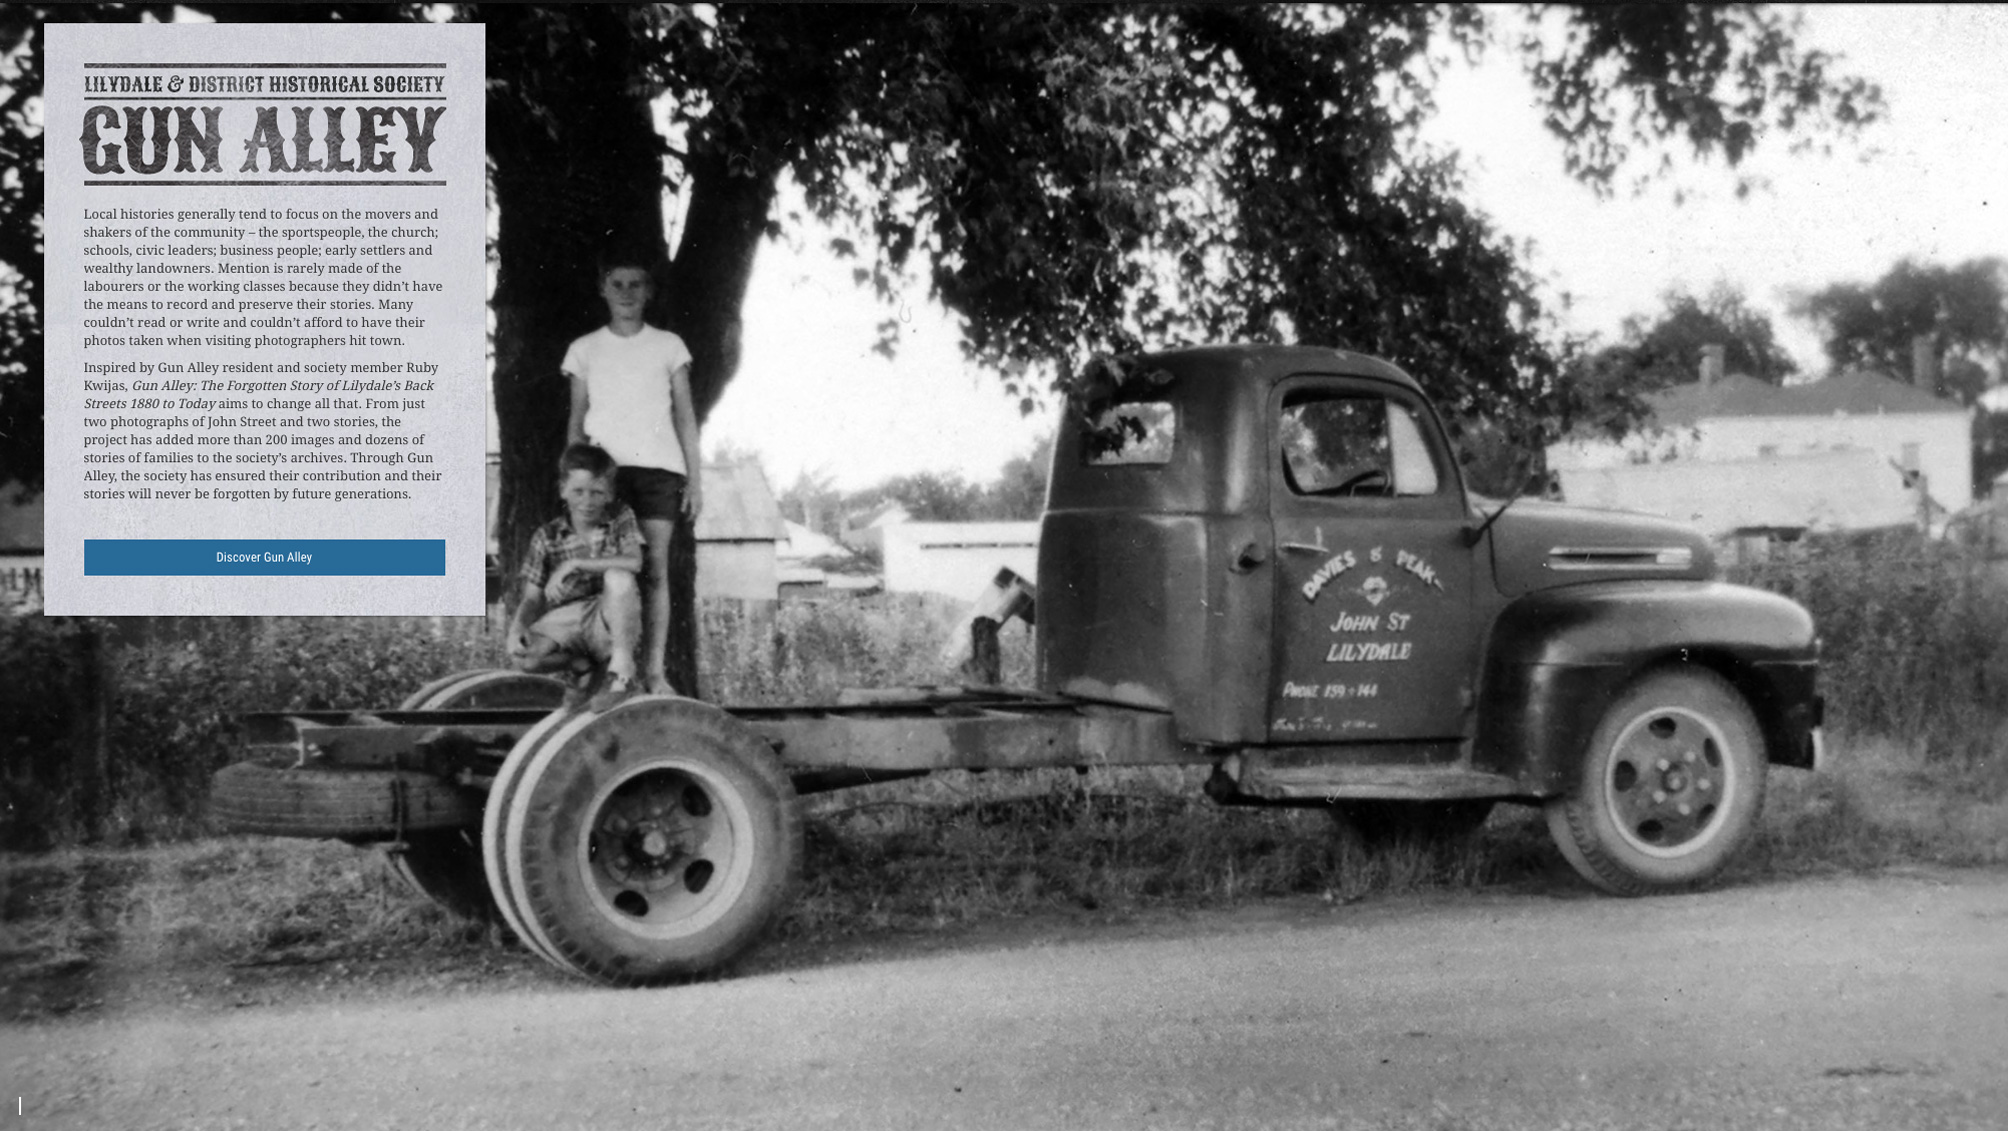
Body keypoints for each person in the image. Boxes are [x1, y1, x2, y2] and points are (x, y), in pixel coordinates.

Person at [563, 251, 702, 696]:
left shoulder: (669, 346)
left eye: (636, 284)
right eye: (617, 284)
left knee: (655, 571)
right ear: (602, 289)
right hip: (607, 474)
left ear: (649, 292)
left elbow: (685, 416)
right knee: (607, 572)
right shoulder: (584, 349)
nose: (626, 293)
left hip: (660, 471)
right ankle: (606, 674)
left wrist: (696, 479)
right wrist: (572, 478)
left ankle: (656, 673)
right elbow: (576, 420)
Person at [507, 443, 645, 709]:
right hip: (567, 621)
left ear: (609, 494)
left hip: (607, 616)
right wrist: (516, 631)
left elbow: (634, 561)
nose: (587, 501)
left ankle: (622, 674)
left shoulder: (619, 518)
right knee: (523, 658)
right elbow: (531, 598)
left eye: (597, 493)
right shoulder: (546, 537)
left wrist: (576, 563)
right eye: (578, 491)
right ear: (563, 490)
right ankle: (581, 667)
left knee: (619, 576)